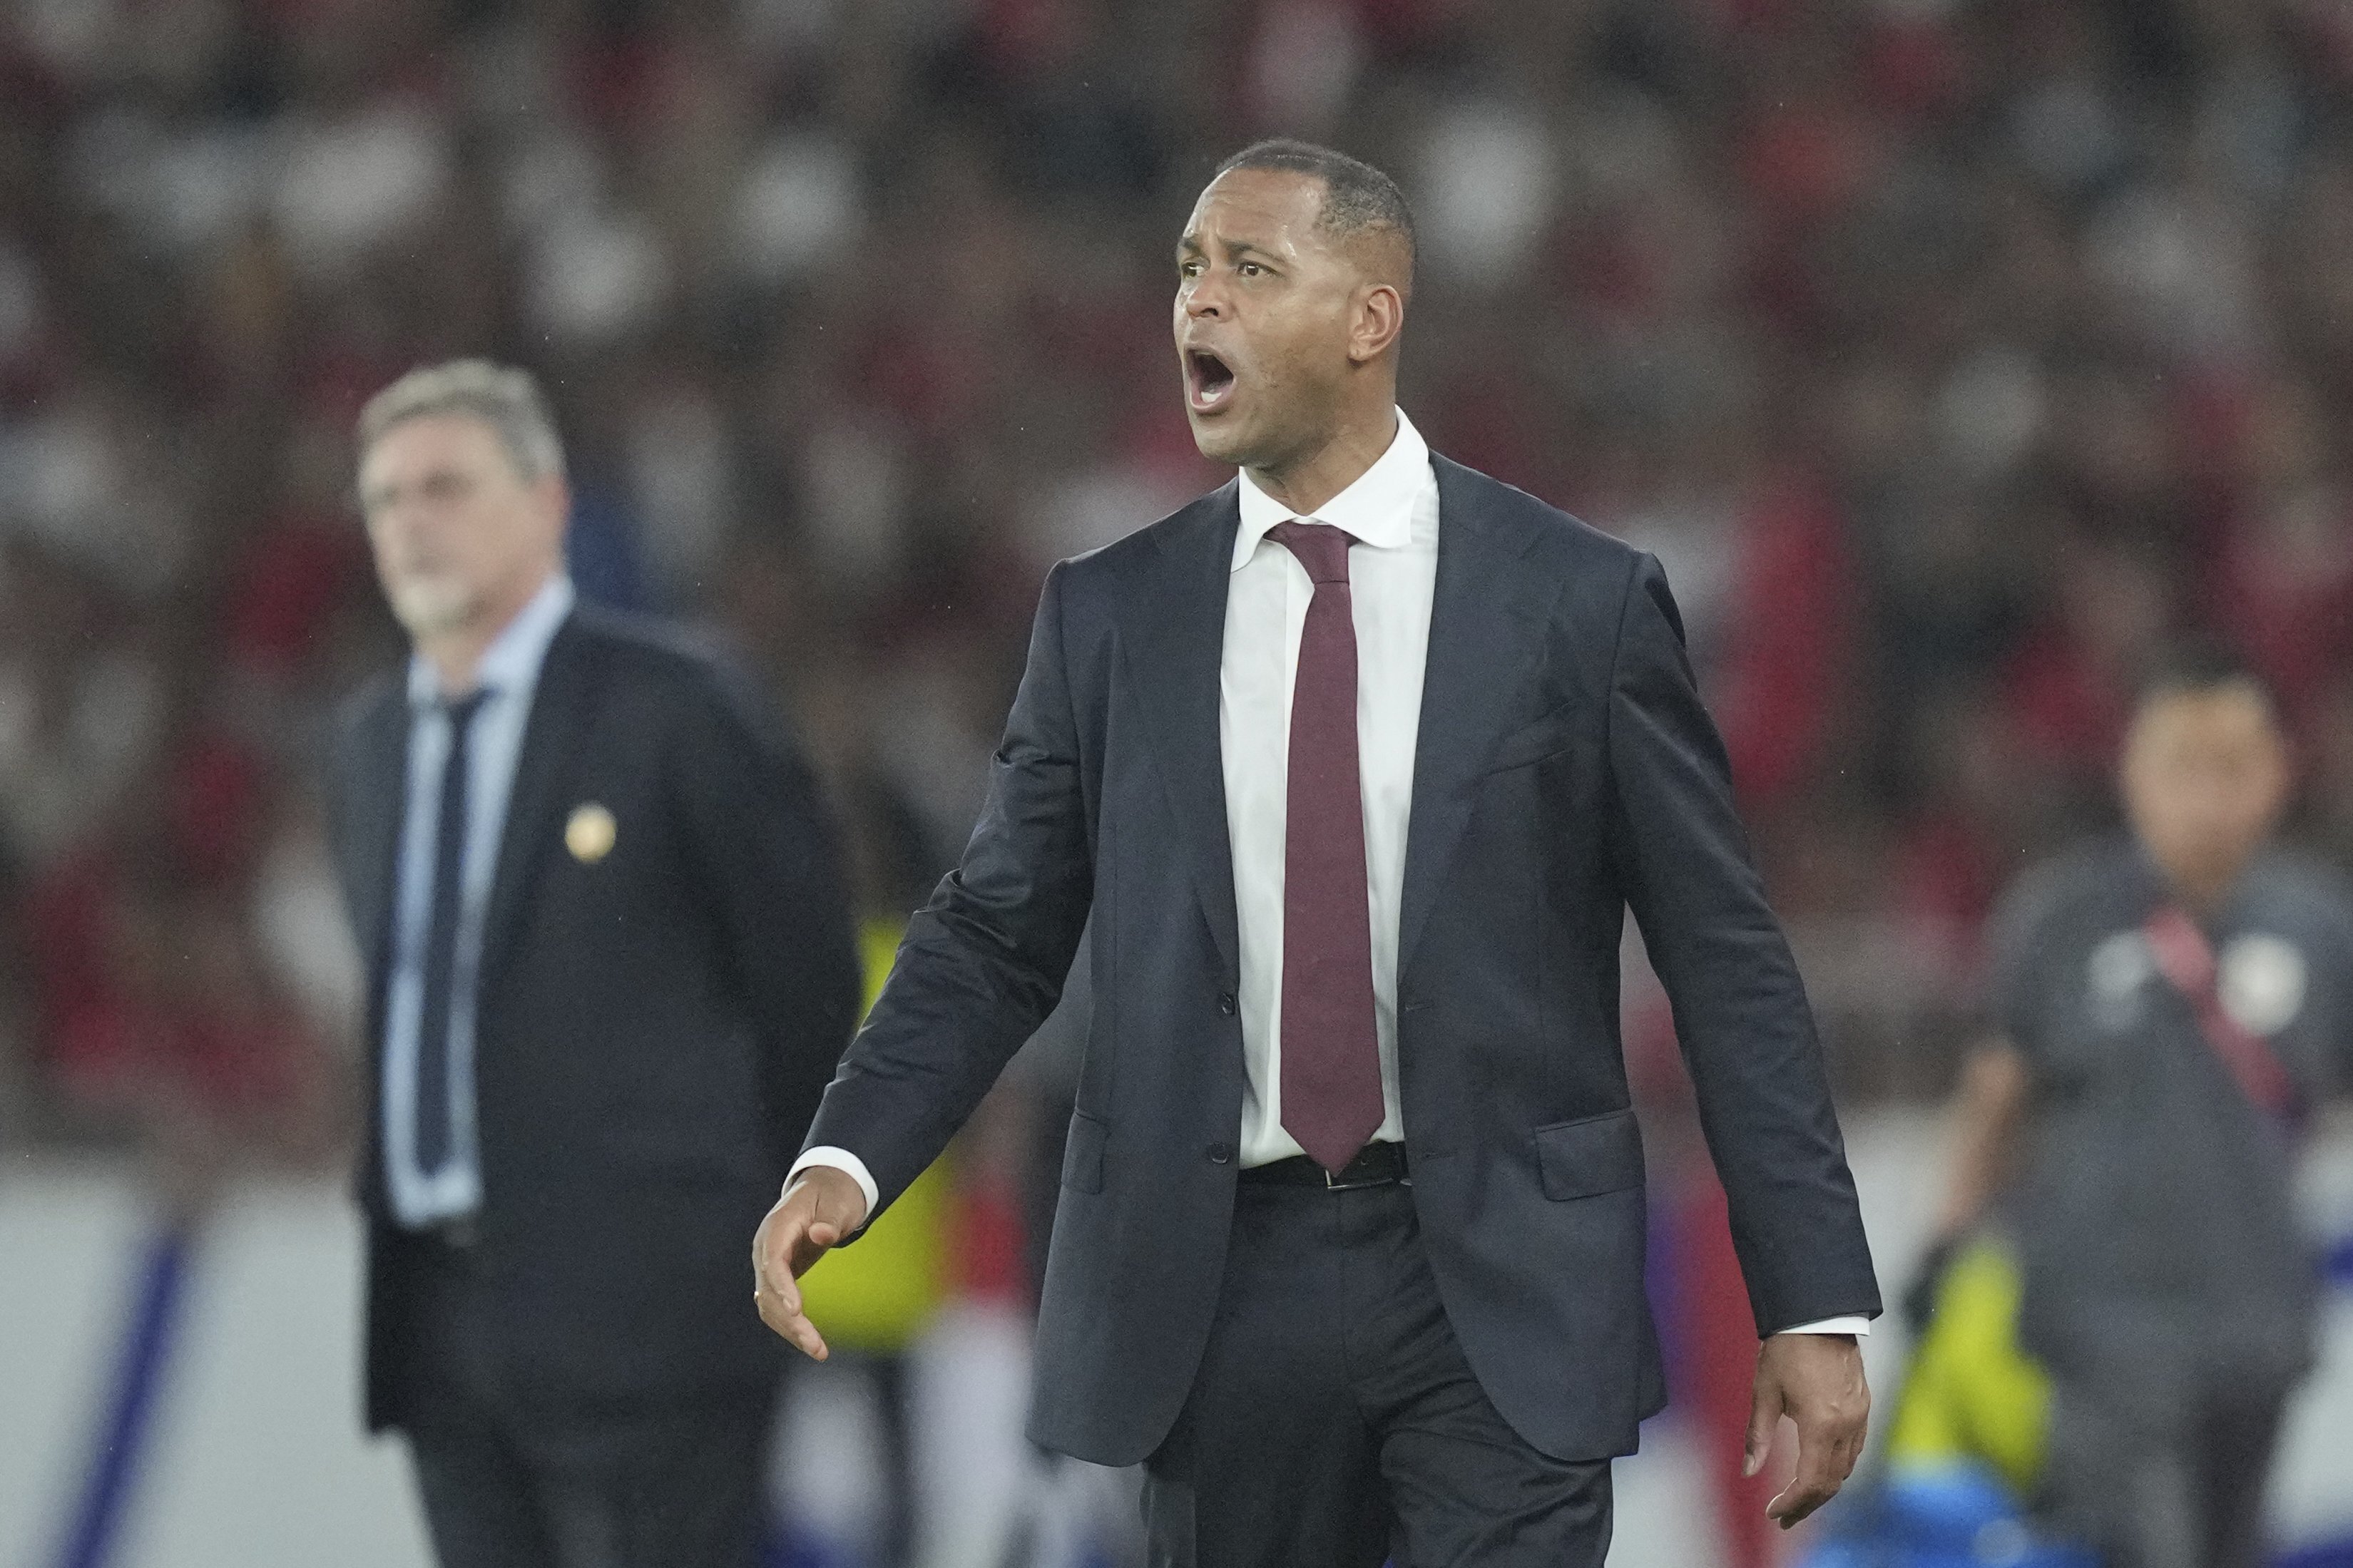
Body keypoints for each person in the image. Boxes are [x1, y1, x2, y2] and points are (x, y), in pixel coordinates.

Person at [754, 141, 1880, 1565]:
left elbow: (1724, 956)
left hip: (1502, 1282)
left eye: (1249, 269)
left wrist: (1812, 1297)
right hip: (1216, 1286)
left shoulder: (1578, 604)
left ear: (1369, 319)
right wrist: (848, 1151)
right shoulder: (1112, 616)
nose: (1197, 305)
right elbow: (996, 926)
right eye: (1186, 270)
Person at [329, 360, 862, 1568]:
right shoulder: (365, 746)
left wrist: (720, 1208)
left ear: (545, 505)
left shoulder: (678, 709)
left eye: (449, 487)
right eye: (387, 497)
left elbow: (808, 988)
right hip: (439, 1308)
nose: (412, 521)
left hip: (654, 1304)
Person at [1924, 647, 2353, 1568]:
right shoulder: (2064, 916)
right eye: (2183, 768)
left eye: (2233, 768)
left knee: (2229, 1548)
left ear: (2277, 778)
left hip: (2256, 1320)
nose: (2208, 796)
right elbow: (2001, 1091)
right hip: (2103, 1320)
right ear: (2134, 777)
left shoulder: (2317, 925)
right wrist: (1949, 1239)